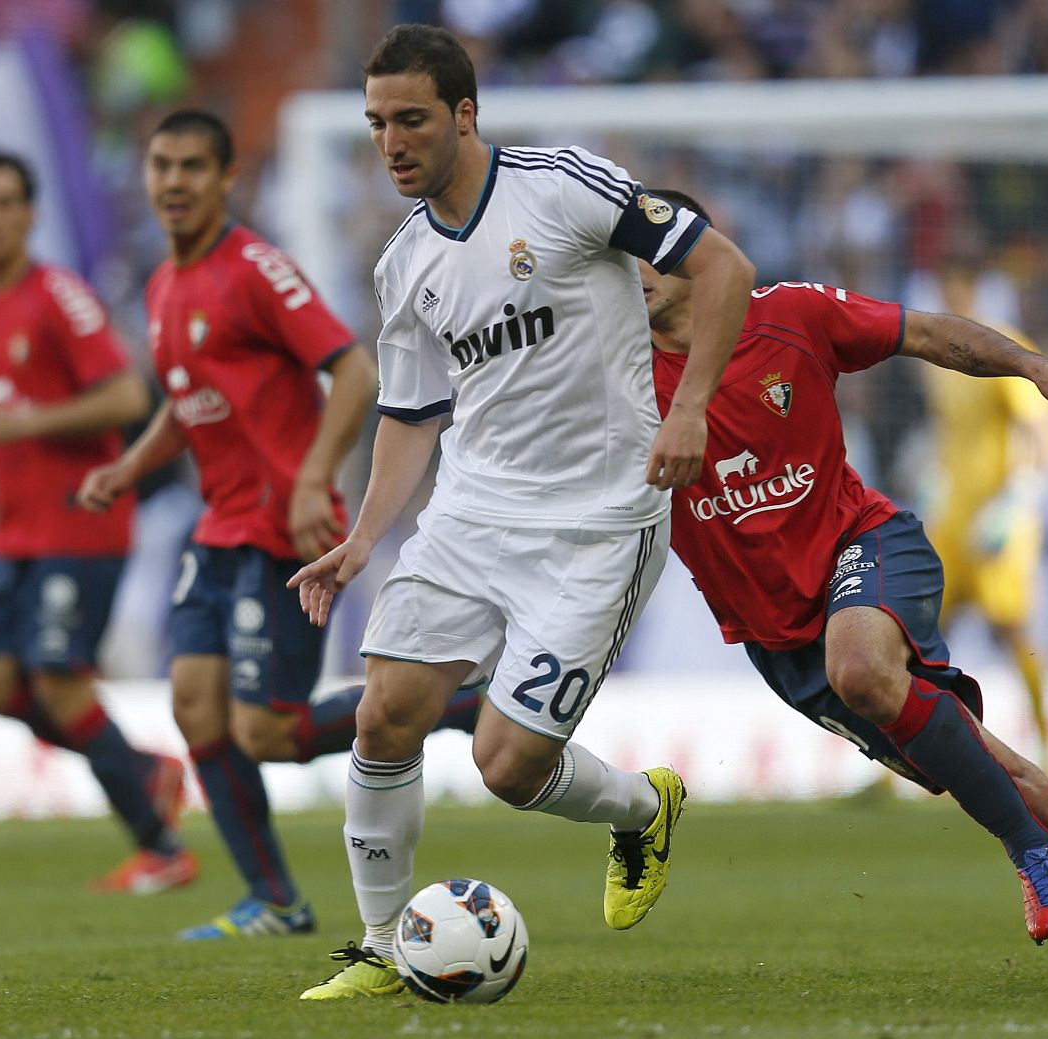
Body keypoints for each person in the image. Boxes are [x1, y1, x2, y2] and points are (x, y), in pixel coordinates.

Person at [639, 187, 1048, 974]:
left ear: (701, 255)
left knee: (864, 670)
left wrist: (1030, 364)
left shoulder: (793, 313)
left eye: (653, 250)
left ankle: (1031, 856)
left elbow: (926, 335)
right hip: (782, 646)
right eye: (623, 255)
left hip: (867, 544)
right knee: (1023, 785)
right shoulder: (608, 377)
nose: (635, 270)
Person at [288, 25, 756, 1000]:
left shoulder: (563, 183)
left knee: (506, 766)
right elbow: (412, 416)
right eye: (377, 123)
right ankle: (380, 943)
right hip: (471, 518)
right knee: (385, 715)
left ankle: (640, 808)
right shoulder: (404, 261)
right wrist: (365, 536)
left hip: (600, 524)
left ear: (465, 114)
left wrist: (690, 406)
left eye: (411, 119)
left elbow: (724, 270)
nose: (391, 142)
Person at [78, 110, 481, 940]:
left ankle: (449, 700)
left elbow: (354, 371)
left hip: (280, 530)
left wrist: (311, 483)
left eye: (194, 166)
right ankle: (275, 900)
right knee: (196, 708)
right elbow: (190, 403)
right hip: (217, 529)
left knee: (268, 730)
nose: (175, 182)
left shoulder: (256, 270)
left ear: (227, 179)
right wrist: (131, 465)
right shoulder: (163, 285)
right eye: (162, 165)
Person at [0, 149, 197, 894]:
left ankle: (162, 847)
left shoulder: (60, 295)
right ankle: (143, 767)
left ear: (30, 213)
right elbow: (12, 413)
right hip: (16, 532)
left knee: (61, 684)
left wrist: (21, 425)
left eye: (3, 203)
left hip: (81, 524)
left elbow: (125, 398)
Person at [920, 244, 1048, 768]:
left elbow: (1046, 432)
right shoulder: (935, 357)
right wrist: (934, 480)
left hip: (998, 521)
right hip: (952, 517)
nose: (946, 295)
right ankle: (902, 768)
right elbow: (948, 431)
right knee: (921, 634)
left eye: (954, 284)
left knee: (1013, 632)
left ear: (972, 286)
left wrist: (1019, 498)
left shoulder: (1003, 347)